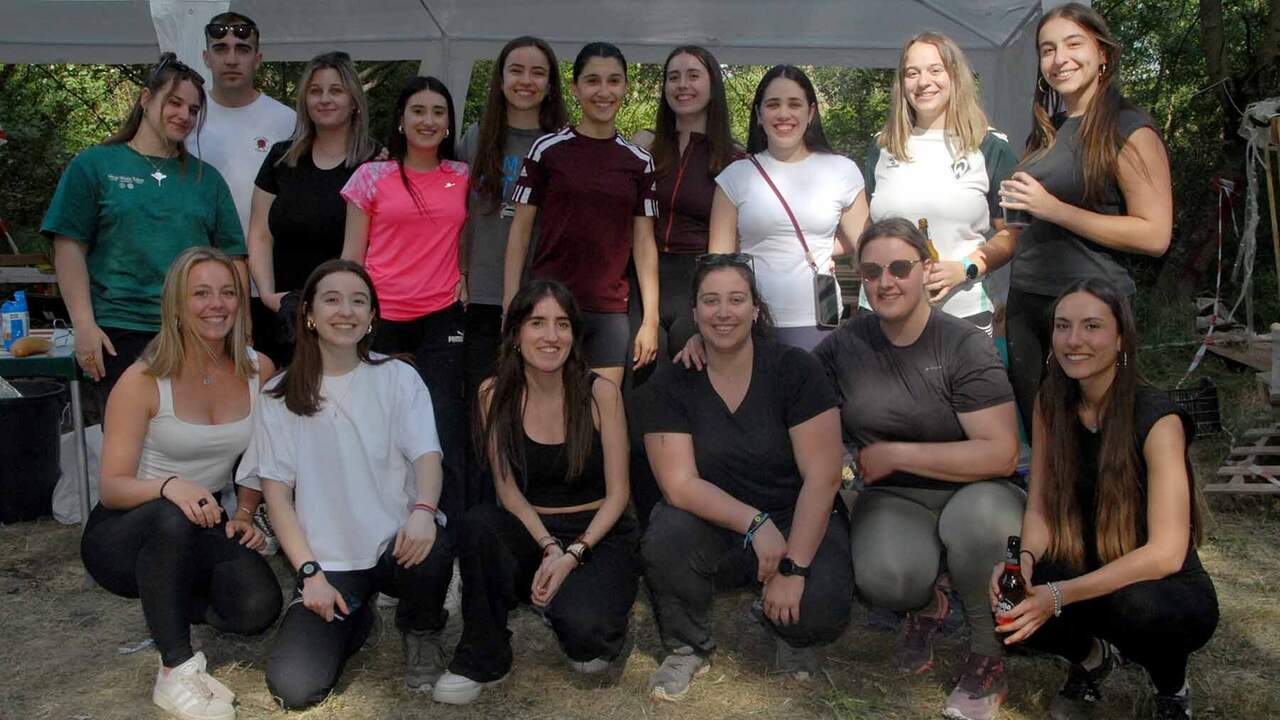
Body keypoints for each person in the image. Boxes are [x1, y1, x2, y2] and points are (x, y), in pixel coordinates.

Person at [812, 218, 1024, 720]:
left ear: (926, 268)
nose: (886, 282)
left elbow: (1002, 453)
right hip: (897, 498)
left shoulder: (963, 344)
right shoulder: (848, 344)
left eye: (900, 267)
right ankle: (928, 605)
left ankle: (987, 657)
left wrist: (896, 454)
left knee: (984, 530)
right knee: (883, 579)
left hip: (981, 489)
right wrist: (712, 349)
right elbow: (786, 382)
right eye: (871, 272)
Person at [236, 259, 456, 708]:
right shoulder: (278, 395)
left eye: (359, 301)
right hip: (328, 561)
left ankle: (421, 630)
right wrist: (309, 573)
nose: (346, 311)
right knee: (295, 687)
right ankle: (356, 619)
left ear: (373, 315)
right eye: (332, 299)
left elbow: (427, 457)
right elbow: (276, 497)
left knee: (435, 547)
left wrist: (423, 512)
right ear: (310, 315)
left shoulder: (397, 376)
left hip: (398, 543)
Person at [993, 280, 1217, 720]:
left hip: (1161, 585)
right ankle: (1094, 659)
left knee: (1137, 608)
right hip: (1083, 566)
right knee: (1010, 598)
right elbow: (1038, 506)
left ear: (1120, 338)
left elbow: (1167, 554)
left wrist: (1058, 595)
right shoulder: (1050, 403)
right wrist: (1026, 566)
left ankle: (1171, 687)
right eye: (1063, 326)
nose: (1074, 340)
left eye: (1091, 326)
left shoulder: (1157, 417)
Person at [637, 254, 853, 701]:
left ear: (755, 309)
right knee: (666, 534)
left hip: (799, 516)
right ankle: (685, 645)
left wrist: (793, 567)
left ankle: (789, 632)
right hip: (721, 523)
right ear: (694, 312)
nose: (723, 312)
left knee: (819, 609)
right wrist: (756, 523)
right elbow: (679, 484)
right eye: (710, 301)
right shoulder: (671, 384)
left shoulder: (796, 370)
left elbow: (824, 476)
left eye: (737, 300)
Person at [81, 246, 280, 720]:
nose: (217, 304)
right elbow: (111, 486)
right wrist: (169, 484)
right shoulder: (142, 380)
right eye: (201, 294)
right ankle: (175, 669)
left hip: (202, 520)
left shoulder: (260, 370)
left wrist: (246, 513)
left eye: (228, 293)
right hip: (126, 529)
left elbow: (262, 456)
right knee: (171, 516)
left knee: (256, 609)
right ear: (175, 304)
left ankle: (165, 596)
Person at [432, 279, 639, 705]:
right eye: (537, 323)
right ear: (515, 334)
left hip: (597, 530)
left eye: (562, 324)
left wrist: (572, 556)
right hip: (531, 526)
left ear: (574, 335)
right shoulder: (494, 393)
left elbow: (620, 495)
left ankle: (562, 599)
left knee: (589, 647)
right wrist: (547, 546)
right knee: (477, 525)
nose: (551, 336)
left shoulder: (601, 392)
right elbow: (506, 490)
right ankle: (482, 657)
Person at [989, 2, 1174, 432]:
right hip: (1027, 307)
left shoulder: (1128, 129)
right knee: (1046, 441)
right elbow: (1030, 221)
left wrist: (1054, 209)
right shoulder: (1048, 129)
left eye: (1074, 44)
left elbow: (1154, 234)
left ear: (1103, 52)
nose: (1059, 58)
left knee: (1099, 438)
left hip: (1089, 311)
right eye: (1048, 49)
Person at [42, 53, 245, 411]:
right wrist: (84, 325)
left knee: (196, 439)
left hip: (195, 331)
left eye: (194, 110)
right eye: (175, 102)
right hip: (119, 329)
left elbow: (232, 258)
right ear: (146, 99)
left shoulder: (206, 178)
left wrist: (241, 331)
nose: (184, 115)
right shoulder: (94, 165)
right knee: (129, 449)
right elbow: (69, 246)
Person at [341, 76, 469, 514]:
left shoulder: (463, 176)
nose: (428, 120)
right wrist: (348, 316)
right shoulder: (370, 176)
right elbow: (351, 258)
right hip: (381, 318)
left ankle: (442, 529)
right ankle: (375, 522)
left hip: (442, 315)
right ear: (400, 120)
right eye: (418, 111)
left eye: (438, 112)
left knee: (444, 425)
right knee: (376, 428)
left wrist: (467, 271)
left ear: (450, 124)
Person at [505, 41, 660, 388]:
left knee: (603, 416)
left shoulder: (639, 161)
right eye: (592, 81)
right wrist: (510, 304)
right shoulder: (547, 150)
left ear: (625, 88)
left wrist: (650, 319)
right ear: (575, 88)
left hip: (608, 313)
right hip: (548, 307)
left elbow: (644, 243)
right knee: (545, 414)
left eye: (613, 81)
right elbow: (520, 232)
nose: (603, 91)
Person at [627, 45, 738, 528]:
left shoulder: (734, 159)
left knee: (692, 410)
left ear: (712, 84)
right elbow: (637, 231)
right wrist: (649, 315)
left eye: (694, 75)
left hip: (697, 285)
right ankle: (642, 517)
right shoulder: (644, 146)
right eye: (673, 77)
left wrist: (705, 315)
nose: (683, 85)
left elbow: (722, 250)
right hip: (645, 282)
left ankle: (694, 517)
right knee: (635, 409)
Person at [864, 31, 1019, 336]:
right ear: (901, 83)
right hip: (884, 318)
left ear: (955, 76)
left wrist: (964, 268)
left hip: (964, 317)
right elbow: (868, 228)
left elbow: (1012, 233)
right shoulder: (881, 147)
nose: (923, 82)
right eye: (912, 73)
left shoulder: (991, 147)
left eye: (935, 70)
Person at [704, 64, 868, 351]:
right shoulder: (735, 176)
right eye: (773, 104)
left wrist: (820, 248)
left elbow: (865, 246)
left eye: (794, 104)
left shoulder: (843, 171)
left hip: (821, 321)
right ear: (758, 114)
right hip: (751, 323)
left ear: (811, 112)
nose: (783, 114)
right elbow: (718, 264)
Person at [247, 51, 379, 366]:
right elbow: (260, 233)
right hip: (281, 312)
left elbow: (357, 252)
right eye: (315, 90)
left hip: (341, 317)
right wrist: (266, 294)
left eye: (336, 90)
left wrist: (326, 303)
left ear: (354, 101)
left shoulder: (376, 162)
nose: (324, 99)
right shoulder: (281, 158)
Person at [457, 36, 567, 405]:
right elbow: (458, 213)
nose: (526, 81)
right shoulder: (475, 138)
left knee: (537, 407)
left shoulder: (562, 144)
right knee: (484, 404)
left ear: (550, 85)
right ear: (500, 79)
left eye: (538, 73)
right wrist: (462, 271)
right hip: (484, 294)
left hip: (544, 296)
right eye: (516, 70)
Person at [188, 12, 295, 353]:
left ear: (258, 58)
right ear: (205, 57)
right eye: (220, 48)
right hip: (202, 288)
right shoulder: (187, 119)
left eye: (243, 48)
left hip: (272, 284)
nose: (231, 58)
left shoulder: (287, 121)